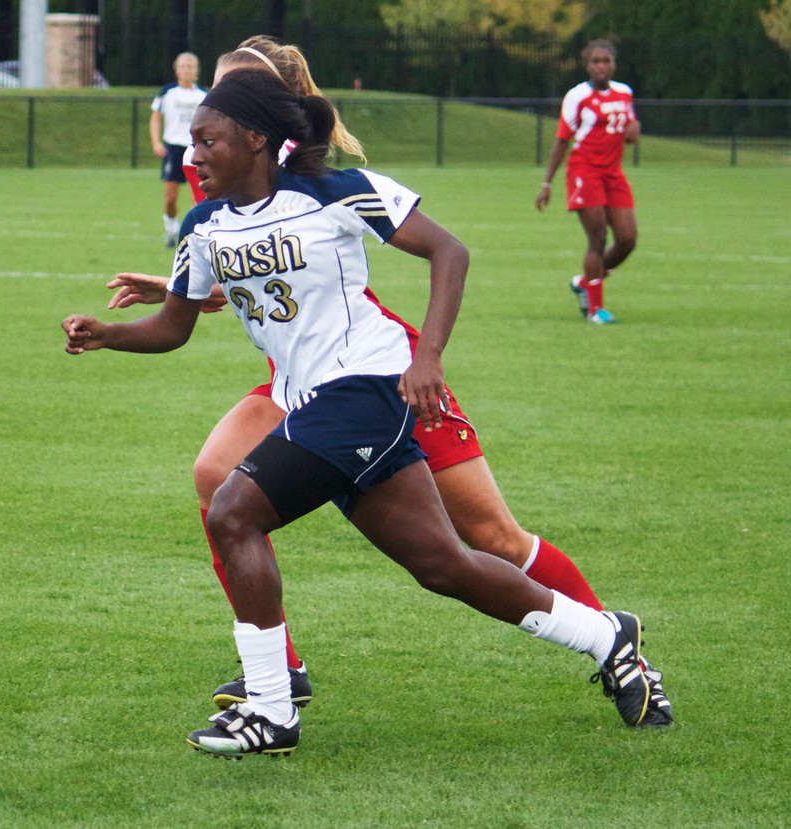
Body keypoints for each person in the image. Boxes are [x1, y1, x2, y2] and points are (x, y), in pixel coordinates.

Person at [63, 68, 673, 757]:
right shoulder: (204, 227)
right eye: (193, 144)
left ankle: (270, 709)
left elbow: (450, 251)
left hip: (368, 388)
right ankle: (606, 634)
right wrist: (108, 334)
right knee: (446, 565)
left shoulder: (337, 192)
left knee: (234, 509)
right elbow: (175, 326)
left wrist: (429, 357)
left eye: (208, 141)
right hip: (314, 405)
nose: (193, 156)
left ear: (257, 139)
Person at [535, 39, 640, 324]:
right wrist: (547, 184)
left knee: (628, 240)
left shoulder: (624, 93)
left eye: (606, 61)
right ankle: (595, 309)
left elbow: (628, 128)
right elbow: (561, 142)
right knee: (597, 239)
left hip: (613, 173)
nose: (601, 66)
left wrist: (634, 129)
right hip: (584, 172)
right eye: (596, 61)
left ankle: (585, 281)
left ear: (614, 64)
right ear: (588, 65)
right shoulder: (577, 96)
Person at [150, 52, 207, 247]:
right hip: (173, 149)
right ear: (177, 69)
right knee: (170, 198)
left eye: (190, 67)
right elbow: (156, 117)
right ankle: (172, 230)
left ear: (196, 70)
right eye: (183, 67)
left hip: (196, 149)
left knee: (198, 196)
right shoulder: (167, 92)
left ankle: (192, 236)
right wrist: (156, 142)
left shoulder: (204, 95)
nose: (186, 70)